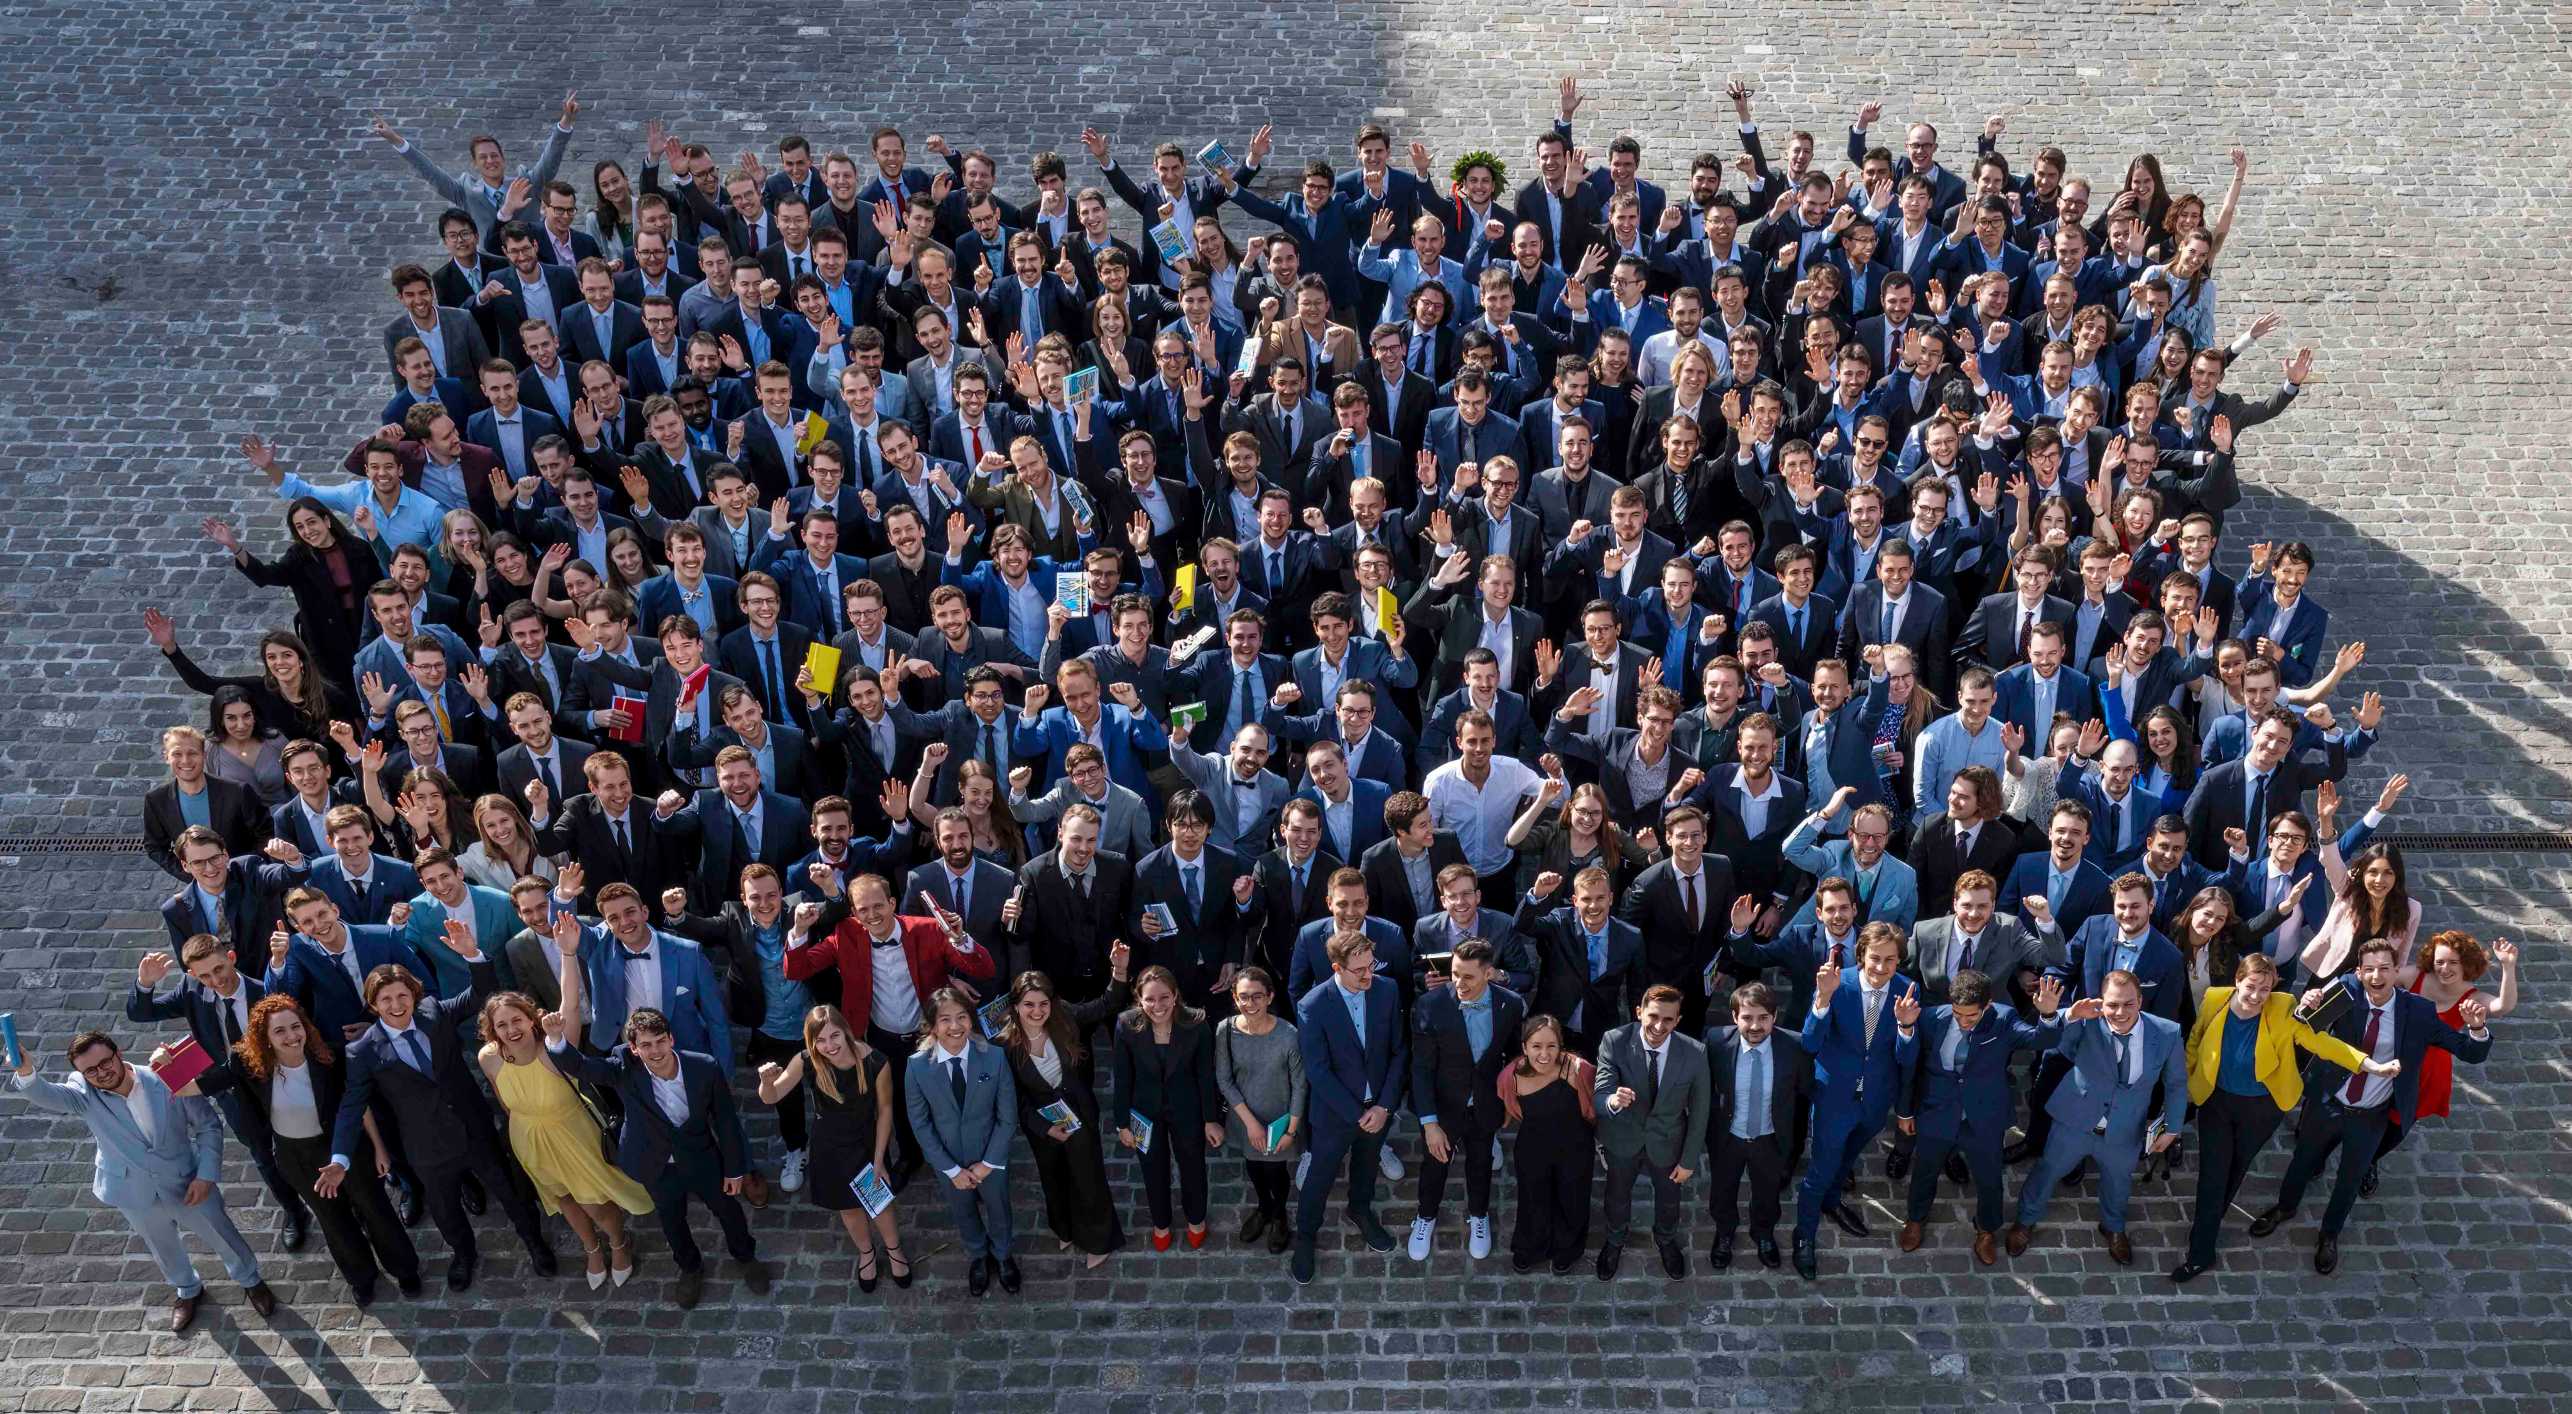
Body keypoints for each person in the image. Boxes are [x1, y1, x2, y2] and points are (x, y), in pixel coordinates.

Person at [322, 929, 555, 1292]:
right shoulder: (363, 1051)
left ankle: (534, 1242)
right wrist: (340, 1156)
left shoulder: (433, 1013)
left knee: (510, 1193)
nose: (397, 1004)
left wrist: (473, 955)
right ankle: (464, 1254)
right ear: (373, 1004)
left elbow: (481, 995)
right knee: (446, 1211)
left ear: (414, 996)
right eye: (386, 999)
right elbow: (353, 1104)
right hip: (426, 1146)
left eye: (402, 995)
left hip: (473, 1129)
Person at [2245, 939, 2494, 1274]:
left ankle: (2329, 1235)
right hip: (2330, 1102)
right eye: (2369, 969)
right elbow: (2305, 1024)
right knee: (2303, 1160)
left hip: (2371, 1113)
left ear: (2396, 972)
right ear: (2359, 973)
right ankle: (2284, 1208)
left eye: (2384, 968)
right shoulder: (2347, 991)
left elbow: (2469, 1052)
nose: (2377, 976)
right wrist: (2308, 1002)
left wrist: (2477, 1028)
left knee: (2349, 1179)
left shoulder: (2418, 1011)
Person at [10, 1030, 280, 1333]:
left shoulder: (166, 1077)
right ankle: (187, 1289)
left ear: (119, 1054)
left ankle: (250, 1279)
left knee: (221, 1232)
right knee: (161, 1245)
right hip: (132, 1189)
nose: (101, 1073)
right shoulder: (83, 1093)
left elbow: (207, 1126)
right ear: (81, 1074)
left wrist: (205, 1176)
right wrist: (25, 1070)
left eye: (105, 1062)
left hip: (186, 1180)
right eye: (90, 1070)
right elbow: (46, 1094)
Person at [543, 992, 772, 1309]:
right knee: (672, 1220)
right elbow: (583, 1068)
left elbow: (726, 1121)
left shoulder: (704, 1068)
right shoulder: (625, 1068)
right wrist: (556, 1039)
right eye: (646, 1045)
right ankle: (690, 1268)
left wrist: (735, 1169)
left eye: (660, 1041)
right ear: (634, 1049)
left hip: (702, 1157)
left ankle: (746, 1257)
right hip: (656, 1163)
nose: (655, 1051)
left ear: (671, 1039)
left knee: (728, 1210)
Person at [190, 995, 421, 1307]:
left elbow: (358, 1106)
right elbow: (191, 1086)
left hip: (344, 1147)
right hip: (296, 1156)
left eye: (295, 1027)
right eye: (280, 1031)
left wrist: (379, 1148)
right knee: (332, 1219)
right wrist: (167, 1064)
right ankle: (361, 1277)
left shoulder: (330, 1058)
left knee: (375, 1208)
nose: (291, 1036)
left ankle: (404, 1269)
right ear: (265, 1038)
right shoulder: (247, 1065)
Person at [2169, 953, 2385, 1283]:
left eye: (2265, 989)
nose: (2257, 996)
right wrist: (2187, 1078)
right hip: (2216, 1101)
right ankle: (2201, 1251)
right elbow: (2196, 1039)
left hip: (2261, 1107)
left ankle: (2209, 1219)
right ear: (2238, 980)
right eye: (2251, 987)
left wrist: (2366, 1064)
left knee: (2235, 1168)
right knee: (2213, 1173)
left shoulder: (2283, 1008)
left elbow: (2319, 1042)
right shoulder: (2215, 999)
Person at [2006, 969, 2187, 1267]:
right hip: (2075, 1121)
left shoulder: (2167, 1033)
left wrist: (2173, 1127)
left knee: (2118, 1182)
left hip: (2125, 1129)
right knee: (2048, 1169)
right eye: (2112, 1004)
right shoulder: (2085, 1023)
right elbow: (2052, 1041)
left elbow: (2177, 1083)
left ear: (2140, 1001)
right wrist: (2057, 1015)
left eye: (2128, 1004)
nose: (2120, 1012)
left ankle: (2113, 1227)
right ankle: (2025, 1220)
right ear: (2102, 1003)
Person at [1895, 969, 2075, 1263]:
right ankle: (1915, 1218)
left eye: (1971, 1017)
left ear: (1987, 1005)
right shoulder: (1930, 1018)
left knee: (1990, 1179)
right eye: (1957, 1014)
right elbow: (1908, 1066)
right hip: (1937, 1112)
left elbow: (2042, 1040)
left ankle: (1987, 1230)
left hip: (1984, 1118)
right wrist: (1905, 1028)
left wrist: (2050, 1015)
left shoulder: (2002, 1020)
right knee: (1925, 1171)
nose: (1963, 1022)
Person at [1792, 922, 1919, 1279]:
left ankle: (1833, 1201)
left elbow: (1906, 1059)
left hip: (1876, 1100)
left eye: (1890, 961)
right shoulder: (1837, 984)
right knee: (1820, 1169)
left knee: (1847, 1158)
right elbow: (1810, 1043)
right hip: (1835, 1097)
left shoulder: (1907, 991)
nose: (1881, 968)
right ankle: (1804, 1235)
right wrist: (1821, 1001)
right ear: (1861, 955)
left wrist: (1906, 1029)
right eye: (1875, 959)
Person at [755, 1005, 911, 1291]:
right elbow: (772, 1095)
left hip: (865, 1144)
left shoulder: (876, 1061)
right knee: (848, 1208)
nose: (829, 1046)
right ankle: (866, 1252)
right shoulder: (806, 1061)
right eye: (821, 1041)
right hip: (829, 1146)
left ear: (847, 1031)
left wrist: (879, 1160)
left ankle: (894, 1249)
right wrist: (765, 1083)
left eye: (834, 1036)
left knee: (879, 1204)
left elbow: (886, 1110)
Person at [996, 953, 1133, 1269]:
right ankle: (1065, 1228)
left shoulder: (1065, 1016)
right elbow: (1015, 1099)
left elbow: (1106, 1004)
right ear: (1016, 1006)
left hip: (1079, 1113)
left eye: (1043, 1004)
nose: (1037, 1011)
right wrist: (1044, 1128)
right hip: (1042, 1123)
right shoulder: (1005, 1045)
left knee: (1088, 1177)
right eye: (1029, 1005)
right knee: (1053, 1178)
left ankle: (1100, 1240)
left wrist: (1119, 970)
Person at [1291, 931, 1407, 1284]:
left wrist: (1385, 1106)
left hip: (1379, 1108)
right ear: (1337, 968)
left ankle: (1360, 1209)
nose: (1368, 975)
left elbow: (1399, 1050)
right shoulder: (1312, 1004)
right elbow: (1318, 1071)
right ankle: (1306, 1235)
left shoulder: (1387, 990)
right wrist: (1358, 1114)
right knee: (1319, 1177)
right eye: (1358, 970)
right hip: (1335, 1114)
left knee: (1367, 1165)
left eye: (1370, 965)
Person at [1406, 939, 1524, 1262]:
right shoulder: (1430, 1005)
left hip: (1485, 1104)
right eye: (1455, 974)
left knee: (1481, 1161)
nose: (1459, 983)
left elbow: (1515, 1058)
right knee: (1434, 1165)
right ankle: (1425, 1216)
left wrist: (1508, 1102)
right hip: (1443, 1106)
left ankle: (1479, 1215)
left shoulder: (1510, 1004)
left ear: (1489, 973)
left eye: (1468, 977)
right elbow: (1421, 1068)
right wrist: (1429, 1124)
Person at [905, 988, 1023, 1296]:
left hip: (990, 1158)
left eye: (962, 1017)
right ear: (932, 1026)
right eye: (945, 1020)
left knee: (999, 1208)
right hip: (949, 1161)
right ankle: (979, 1255)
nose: (955, 1026)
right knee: (963, 1211)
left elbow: (1007, 1117)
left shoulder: (994, 1058)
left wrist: (988, 1163)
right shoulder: (917, 1067)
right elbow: (920, 1123)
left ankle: (1002, 1254)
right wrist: (951, 1169)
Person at [1592, 984, 1710, 1280]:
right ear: (1639, 1012)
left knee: (1669, 1199)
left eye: (1668, 1020)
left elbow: (1700, 1111)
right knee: (1617, 1195)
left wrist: (1689, 1160)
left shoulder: (1695, 1053)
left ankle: (1666, 1240)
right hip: (1624, 1139)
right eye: (1653, 1016)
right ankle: (1615, 1240)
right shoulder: (1615, 1041)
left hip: (1668, 1143)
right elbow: (1599, 1095)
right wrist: (1613, 1101)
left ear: (1678, 1020)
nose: (1659, 1026)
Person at [1113, 965, 1225, 1251]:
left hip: (1186, 1109)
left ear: (1175, 996)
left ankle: (1196, 1219)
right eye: (1149, 999)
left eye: (1164, 997)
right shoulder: (1127, 1025)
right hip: (1144, 1112)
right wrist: (1122, 1122)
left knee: (1193, 1166)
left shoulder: (1196, 1024)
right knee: (1152, 1169)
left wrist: (1211, 1119)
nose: (1157, 1005)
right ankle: (1160, 1222)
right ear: (1139, 999)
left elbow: (1205, 1076)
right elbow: (1123, 1076)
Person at [1701, 981, 1810, 1271]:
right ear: (1734, 1017)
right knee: (1722, 1191)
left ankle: (1763, 1234)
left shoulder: (1794, 1046)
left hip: (1769, 1138)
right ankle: (1724, 1233)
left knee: (1767, 1194)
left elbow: (1803, 1093)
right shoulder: (1716, 1042)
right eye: (1747, 1018)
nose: (1755, 1026)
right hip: (1728, 1138)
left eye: (1763, 1018)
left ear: (1774, 1017)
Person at [1215, 966, 1306, 1255]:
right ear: (1234, 998)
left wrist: (1291, 1130)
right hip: (1245, 1119)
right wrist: (1250, 1124)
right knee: (1254, 1165)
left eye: (1257, 997)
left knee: (1276, 1170)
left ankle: (1279, 1214)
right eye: (1243, 997)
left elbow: (1300, 1086)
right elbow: (1224, 1078)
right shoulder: (1225, 1030)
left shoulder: (1289, 1035)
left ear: (1269, 997)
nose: (1250, 1004)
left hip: (1280, 1120)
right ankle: (1263, 1207)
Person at [1497, 1014, 1596, 1274]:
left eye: (1551, 1046)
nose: (1544, 1054)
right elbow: (1511, 1111)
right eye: (1536, 1046)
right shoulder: (1511, 1077)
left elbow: (1595, 1107)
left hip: (1575, 1147)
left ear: (1560, 1046)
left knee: (1573, 1199)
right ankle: (1530, 1247)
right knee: (1532, 1199)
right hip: (1533, 1146)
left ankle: (1568, 1249)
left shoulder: (1579, 1070)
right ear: (1524, 1048)